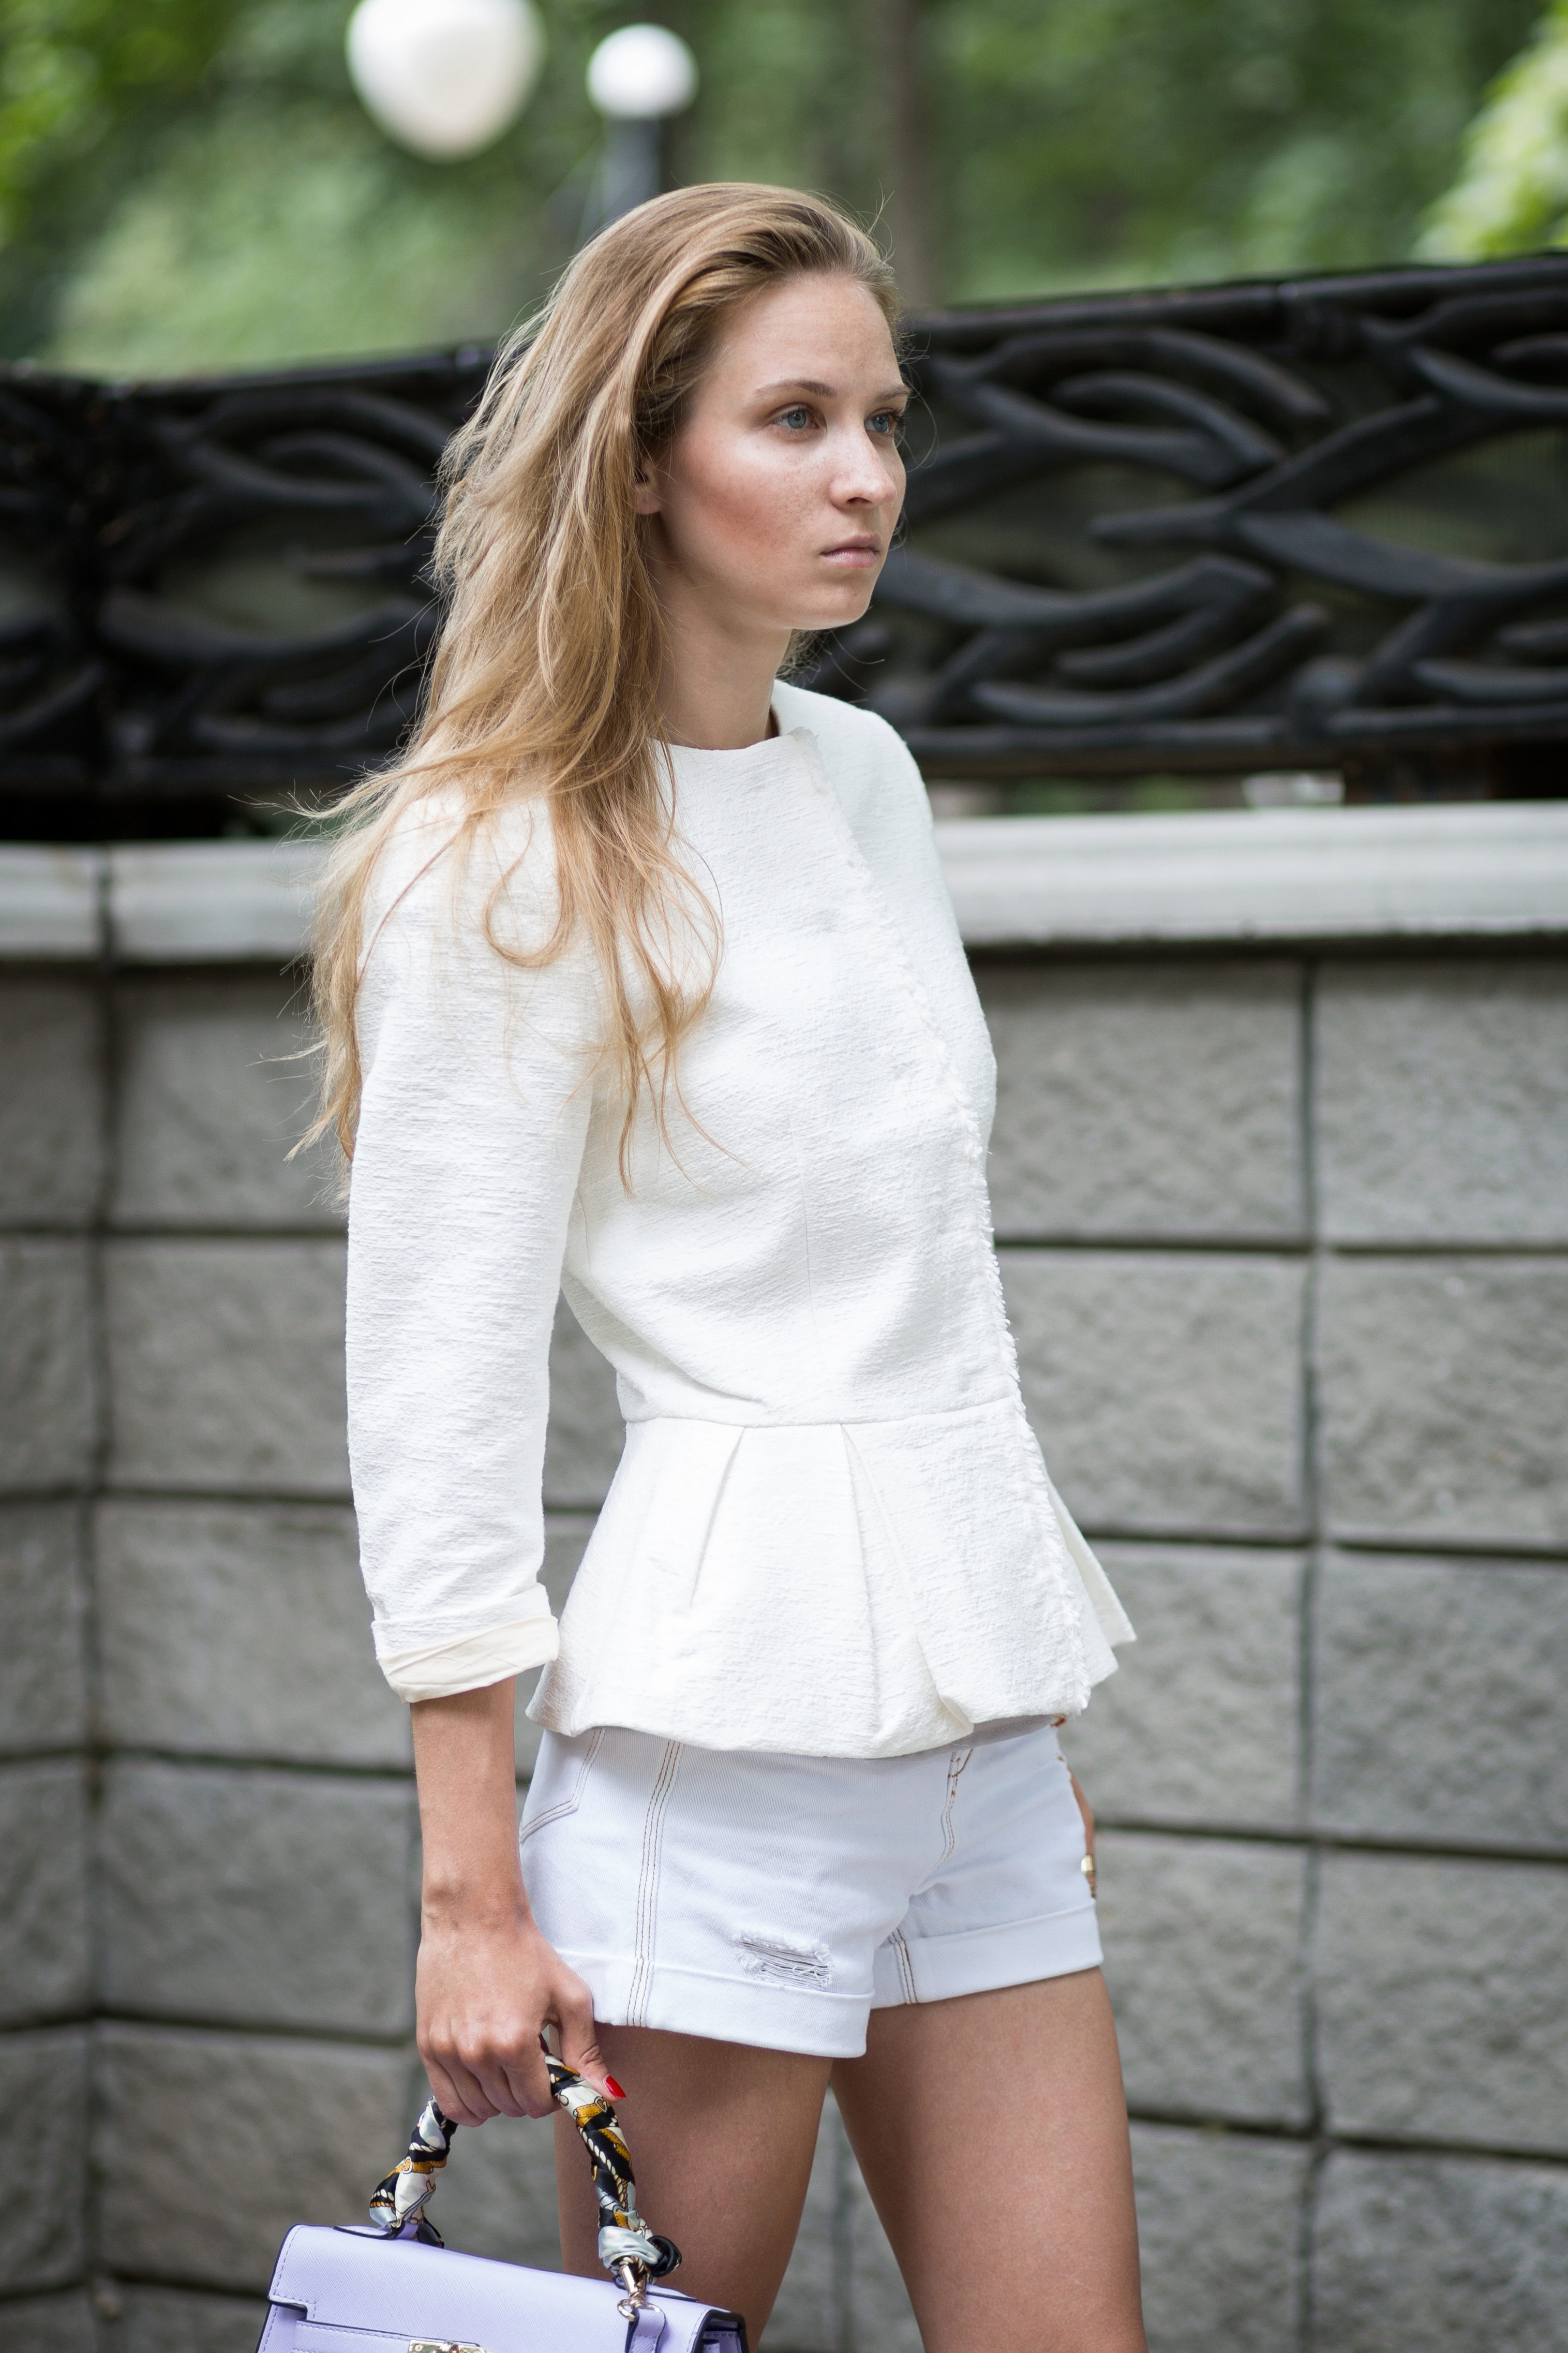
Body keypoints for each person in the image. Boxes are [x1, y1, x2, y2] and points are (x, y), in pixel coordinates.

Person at [309, 182, 1144, 2353]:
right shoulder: (500, 854)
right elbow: (441, 1393)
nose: (865, 474)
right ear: (639, 459)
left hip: (971, 1747)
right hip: (721, 1757)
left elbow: (932, 1277)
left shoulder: (864, 776)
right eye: (794, 419)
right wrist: (470, 1896)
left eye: (883, 418)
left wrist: (1000, 1684)